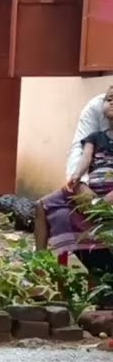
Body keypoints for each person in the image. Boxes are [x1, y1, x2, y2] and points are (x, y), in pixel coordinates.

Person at [36, 85, 113, 258]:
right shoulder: (95, 130)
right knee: (43, 205)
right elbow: (81, 154)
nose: (110, 104)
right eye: (108, 100)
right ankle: (40, 264)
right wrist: (78, 180)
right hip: (89, 189)